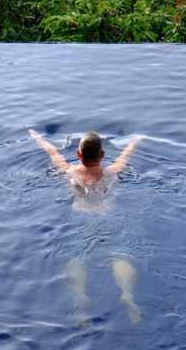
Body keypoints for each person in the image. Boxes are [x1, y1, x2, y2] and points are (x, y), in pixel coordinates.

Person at [28, 128, 144, 322]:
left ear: (78, 154)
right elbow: (126, 155)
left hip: (80, 217)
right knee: (118, 255)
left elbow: (52, 152)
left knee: (76, 259)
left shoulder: (69, 171)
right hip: (108, 216)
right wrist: (135, 141)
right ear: (103, 155)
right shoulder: (112, 172)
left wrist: (37, 136)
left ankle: (80, 295)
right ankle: (126, 293)